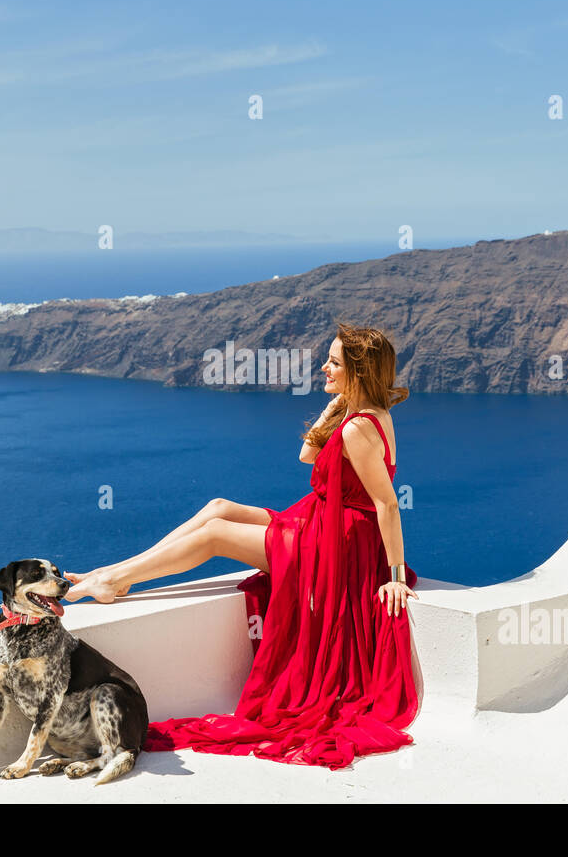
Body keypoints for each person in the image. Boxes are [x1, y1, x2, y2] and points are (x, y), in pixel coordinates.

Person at [63, 323, 421, 769]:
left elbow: (387, 504)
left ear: (359, 370)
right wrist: (334, 409)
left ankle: (112, 581)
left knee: (215, 536)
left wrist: (392, 576)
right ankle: (112, 574)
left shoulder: (358, 429)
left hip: (336, 546)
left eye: (334, 362)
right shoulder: (356, 415)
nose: (324, 366)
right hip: (321, 519)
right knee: (217, 507)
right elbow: (308, 458)